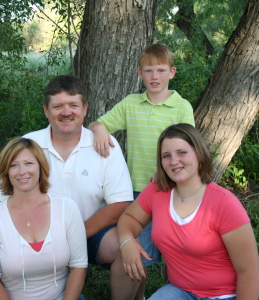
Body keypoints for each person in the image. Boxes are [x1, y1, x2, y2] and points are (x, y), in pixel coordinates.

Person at [0, 75, 140, 299]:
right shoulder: (28, 145)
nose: (66, 112)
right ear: (46, 110)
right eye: (58, 106)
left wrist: (76, 235)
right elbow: (4, 202)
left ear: (84, 108)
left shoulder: (105, 146)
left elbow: (121, 203)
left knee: (126, 247)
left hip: (90, 232)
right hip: (37, 234)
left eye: (73, 105)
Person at [88, 43, 195, 298]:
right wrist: (100, 129)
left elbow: (188, 147)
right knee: (140, 252)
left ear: (172, 72)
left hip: (172, 191)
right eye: (148, 71)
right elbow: (96, 124)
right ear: (139, 74)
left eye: (160, 70)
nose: (154, 76)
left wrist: (167, 173)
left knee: (176, 249)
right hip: (138, 191)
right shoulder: (131, 104)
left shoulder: (182, 107)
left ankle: (182, 290)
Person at [117, 123, 259, 300]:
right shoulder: (157, 191)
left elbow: (249, 271)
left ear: (199, 154)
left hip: (224, 295)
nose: (174, 161)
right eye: (166, 156)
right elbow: (129, 217)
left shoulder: (224, 203)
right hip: (179, 291)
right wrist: (127, 241)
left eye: (181, 153)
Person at [0, 137, 87, 300]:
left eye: (28, 163)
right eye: (14, 165)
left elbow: (79, 266)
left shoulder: (66, 208)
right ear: (6, 171)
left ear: (40, 167)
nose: (22, 171)